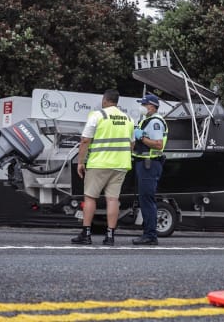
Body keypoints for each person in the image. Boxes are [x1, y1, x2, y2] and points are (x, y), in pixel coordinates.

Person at [72, 89, 134, 246]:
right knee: (113, 199)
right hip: (120, 165)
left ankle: (86, 234)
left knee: (90, 197)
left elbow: (85, 140)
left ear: (105, 100)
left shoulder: (97, 115)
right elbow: (132, 143)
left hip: (99, 164)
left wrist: (80, 161)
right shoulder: (128, 119)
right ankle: (110, 236)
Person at [132, 93, 168, 245]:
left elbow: (158, 144)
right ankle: (148, 233)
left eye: (144, 104)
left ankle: (150, 235)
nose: (142, 107)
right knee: (145, 199)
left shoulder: (155, 122)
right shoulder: (146, 121)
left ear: (152, 106)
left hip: (150, 164)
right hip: (145, 163)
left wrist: (141, 138)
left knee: (147, 200)